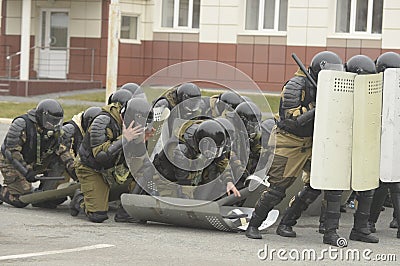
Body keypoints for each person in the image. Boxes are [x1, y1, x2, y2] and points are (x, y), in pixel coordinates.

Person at [245, 51, 348, 246]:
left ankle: (289, 223)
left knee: (320, 184)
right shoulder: (295, 86)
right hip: (289, 140)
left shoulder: (331, 87)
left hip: (313, 140)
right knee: (277, 188)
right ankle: (253, 225)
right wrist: (318, 107)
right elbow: (291, 121)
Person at [71, 92, 147, 223]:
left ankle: (126, 211)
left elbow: (136, 156)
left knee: (144, 170)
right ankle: (80, 199)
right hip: (92, 168)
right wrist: (125, 139)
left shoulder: (134, 125)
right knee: (98, 215)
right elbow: (100, 156)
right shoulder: (102, 121)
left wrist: (142, 141)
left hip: (114, 167)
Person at [0, 99, 77, 208]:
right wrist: (26, 172)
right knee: (21, 200)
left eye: (56, 121)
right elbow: (11, 152)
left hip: (35, 160)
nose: (54, 125)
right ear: (42, 116)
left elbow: (63, 151)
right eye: (51, 121)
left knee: (60, 161)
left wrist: (74, 171)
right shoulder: (21, 124)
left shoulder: (54, 130)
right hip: (12, 163)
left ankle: (44, 193)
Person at [152, 119, 240, 199]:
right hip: (165, 182)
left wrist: (229, 181)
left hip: (190, 177)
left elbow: (221, 160)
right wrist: (189, 202)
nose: (212, 154)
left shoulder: (209, 139)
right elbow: (184, 182)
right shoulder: (182, 151)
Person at [368, 51, 400, 239]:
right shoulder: (377, 87)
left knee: (385, 183)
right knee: (390, 183)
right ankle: (371, 220)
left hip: (384, 139)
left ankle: (370, 221)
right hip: (382, 138)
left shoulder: (377, 86)